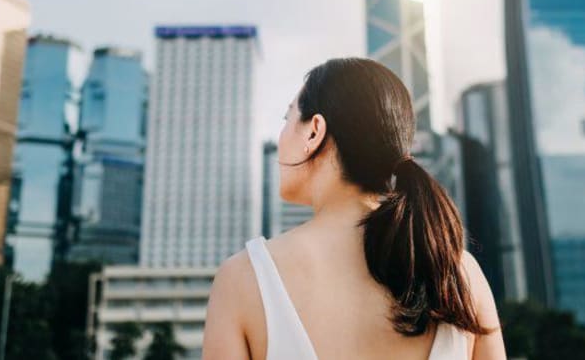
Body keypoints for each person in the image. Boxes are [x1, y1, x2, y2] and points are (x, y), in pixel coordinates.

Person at [203, 58, 506, 359]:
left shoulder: (244, 279)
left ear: (314, 131)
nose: (281, 137)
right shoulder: (459, 275)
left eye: (287, 119)